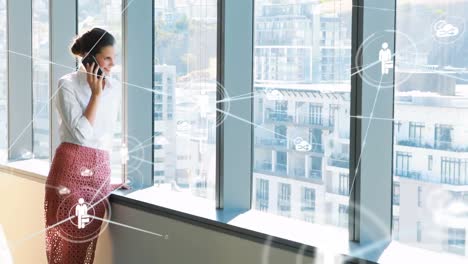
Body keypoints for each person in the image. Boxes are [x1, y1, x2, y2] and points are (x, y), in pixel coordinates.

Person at [44, 27, 125, 264]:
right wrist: (95, 95)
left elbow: (106, 136)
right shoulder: (66, 84)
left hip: (99, 173)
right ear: (90, 57)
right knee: (64, 249)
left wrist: (107, 177)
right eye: (107, 58)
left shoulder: (115, 86)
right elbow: (81, 135)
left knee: (85, 250)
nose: (112, 64)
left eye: (114, 58)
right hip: (68, 172)